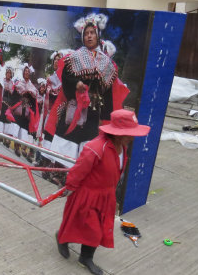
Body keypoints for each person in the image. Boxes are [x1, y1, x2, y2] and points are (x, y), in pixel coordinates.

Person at [55, 109, 150, 275]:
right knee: (86, 227)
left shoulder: (122, 147)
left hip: (106, 195)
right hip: (88, 195)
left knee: (97, 228)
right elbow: (79, 170)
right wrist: (70, 187)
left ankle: (85, 257)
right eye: (130, 133)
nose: (133, 137)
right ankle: (62, 238)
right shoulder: (96, 147)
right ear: (119, 133)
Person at [45, 13, 129, 169]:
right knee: (66, 138)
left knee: (88, 143)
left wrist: (106, 119)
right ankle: (61, 171)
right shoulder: (74, 58)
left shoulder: (107, 63)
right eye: (87, 33)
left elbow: (108, 93)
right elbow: (66, 79)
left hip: (93, 110)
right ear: (82, 37)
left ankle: (79, 173)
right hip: (73, 106)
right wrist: (76, 84)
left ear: (97, 36)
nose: (89, 36)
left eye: (92, 33)